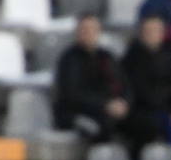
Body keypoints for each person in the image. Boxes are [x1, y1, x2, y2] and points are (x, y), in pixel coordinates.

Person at [54, 14, 131, 142]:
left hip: (110, 109)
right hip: (77, 113)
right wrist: (105, 105)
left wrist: (125, 103)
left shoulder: (107, 56)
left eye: (92, 29)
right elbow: (73, 95)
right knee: (100, 126)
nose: (88, 33)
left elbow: (125, 84)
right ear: (77, 32)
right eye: (84, 29)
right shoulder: (69, 59)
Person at [120, 15, 171, 154]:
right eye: (148, 31)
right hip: (142, 110)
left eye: (156, 30)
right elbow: (138, 90)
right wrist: (170, 110)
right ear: (141, 33)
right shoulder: (131, 58)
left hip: (167, 109)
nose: (152, 34)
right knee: (155, 124)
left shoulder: (170, 55)